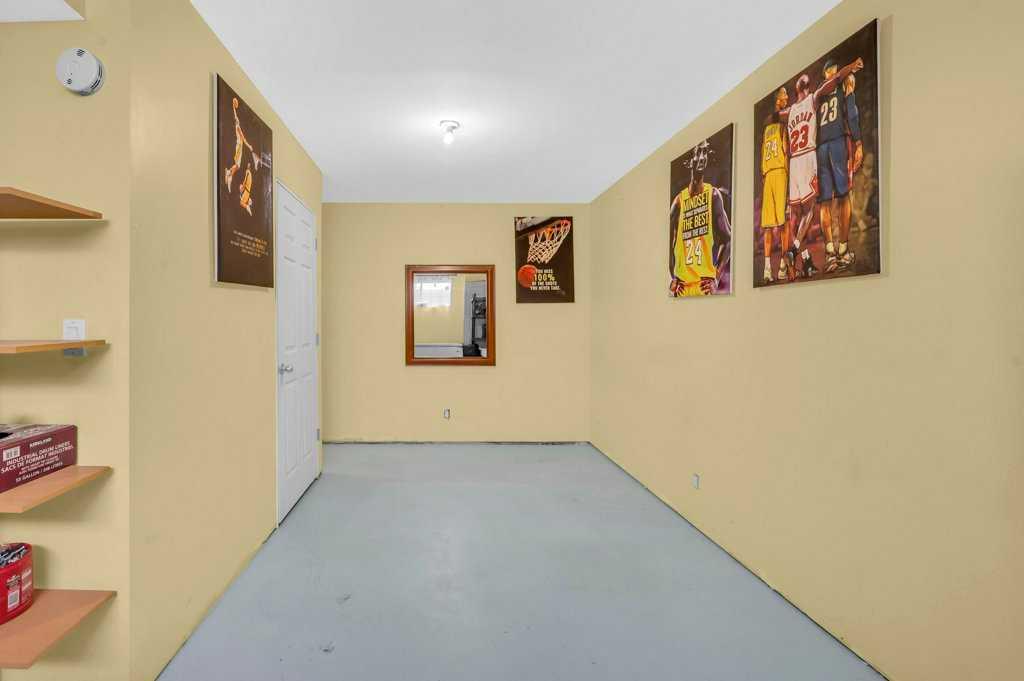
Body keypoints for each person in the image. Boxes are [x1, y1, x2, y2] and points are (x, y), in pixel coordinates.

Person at [815, 57, 865, 271]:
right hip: (838, 142)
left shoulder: (818, 92)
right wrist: (858, 141)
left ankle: (829, 254)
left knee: (825, 202)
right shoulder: (846, 79)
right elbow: (851, 111)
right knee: (844, 197)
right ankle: (843, 251)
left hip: (820, 148)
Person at [669, 140, 732, 297]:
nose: (702, 157)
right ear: (689, 162)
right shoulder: (679, 202)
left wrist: (716, 277)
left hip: (703, 287)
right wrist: (672, 277)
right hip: (682, 288)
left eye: (705, 152)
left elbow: (728, 240)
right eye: (698, 153)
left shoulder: (713, 195)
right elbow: (667, 243)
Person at [759, 87, 791, 283]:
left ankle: (766, 269)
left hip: (767, 175)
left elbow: (762, 155)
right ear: (778, 100)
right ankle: (782, 268)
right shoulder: (782, 125)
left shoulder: (765, 129)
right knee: (784, 223)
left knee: (768, 227)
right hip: (779, 172)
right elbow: (786, 152)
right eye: (784, 95)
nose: (787, 97)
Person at [224, 97, 259, 194]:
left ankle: (230, 174)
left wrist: (233, 107)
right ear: (236, 122)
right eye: (237, 120)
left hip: (239, 146)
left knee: (237, 166)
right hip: (239, 146)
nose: (237, 119)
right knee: (237, 165)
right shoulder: (238, 127)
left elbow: (235, 115)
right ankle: (229, 173)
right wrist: (249, 146)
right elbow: (243, 138)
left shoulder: (237, 123)